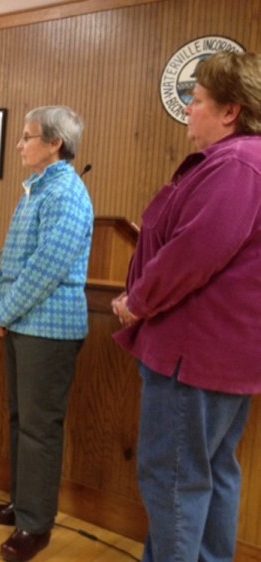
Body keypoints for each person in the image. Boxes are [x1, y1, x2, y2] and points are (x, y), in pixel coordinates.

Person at [111, 51, 261, 562]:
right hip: (220, 357)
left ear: (230, 111)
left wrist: (138, 301)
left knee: (175, 481)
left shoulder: (237, 163)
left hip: (192, 354)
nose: (188, 111)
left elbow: (193, 253)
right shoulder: (243, 161)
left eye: (195, 101)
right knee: (211, 474)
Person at [0, 106, 93, 562]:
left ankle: (36, 523)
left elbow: (47, 267)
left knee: (39, 429)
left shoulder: (66, 192)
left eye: (28, 137)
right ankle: (22, 501)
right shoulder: (35, 190)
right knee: (19, 421)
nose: (21, 145)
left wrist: (3, 311)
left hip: (49, 329)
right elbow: (11, 258)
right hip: (23, 322)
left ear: (55, 144)